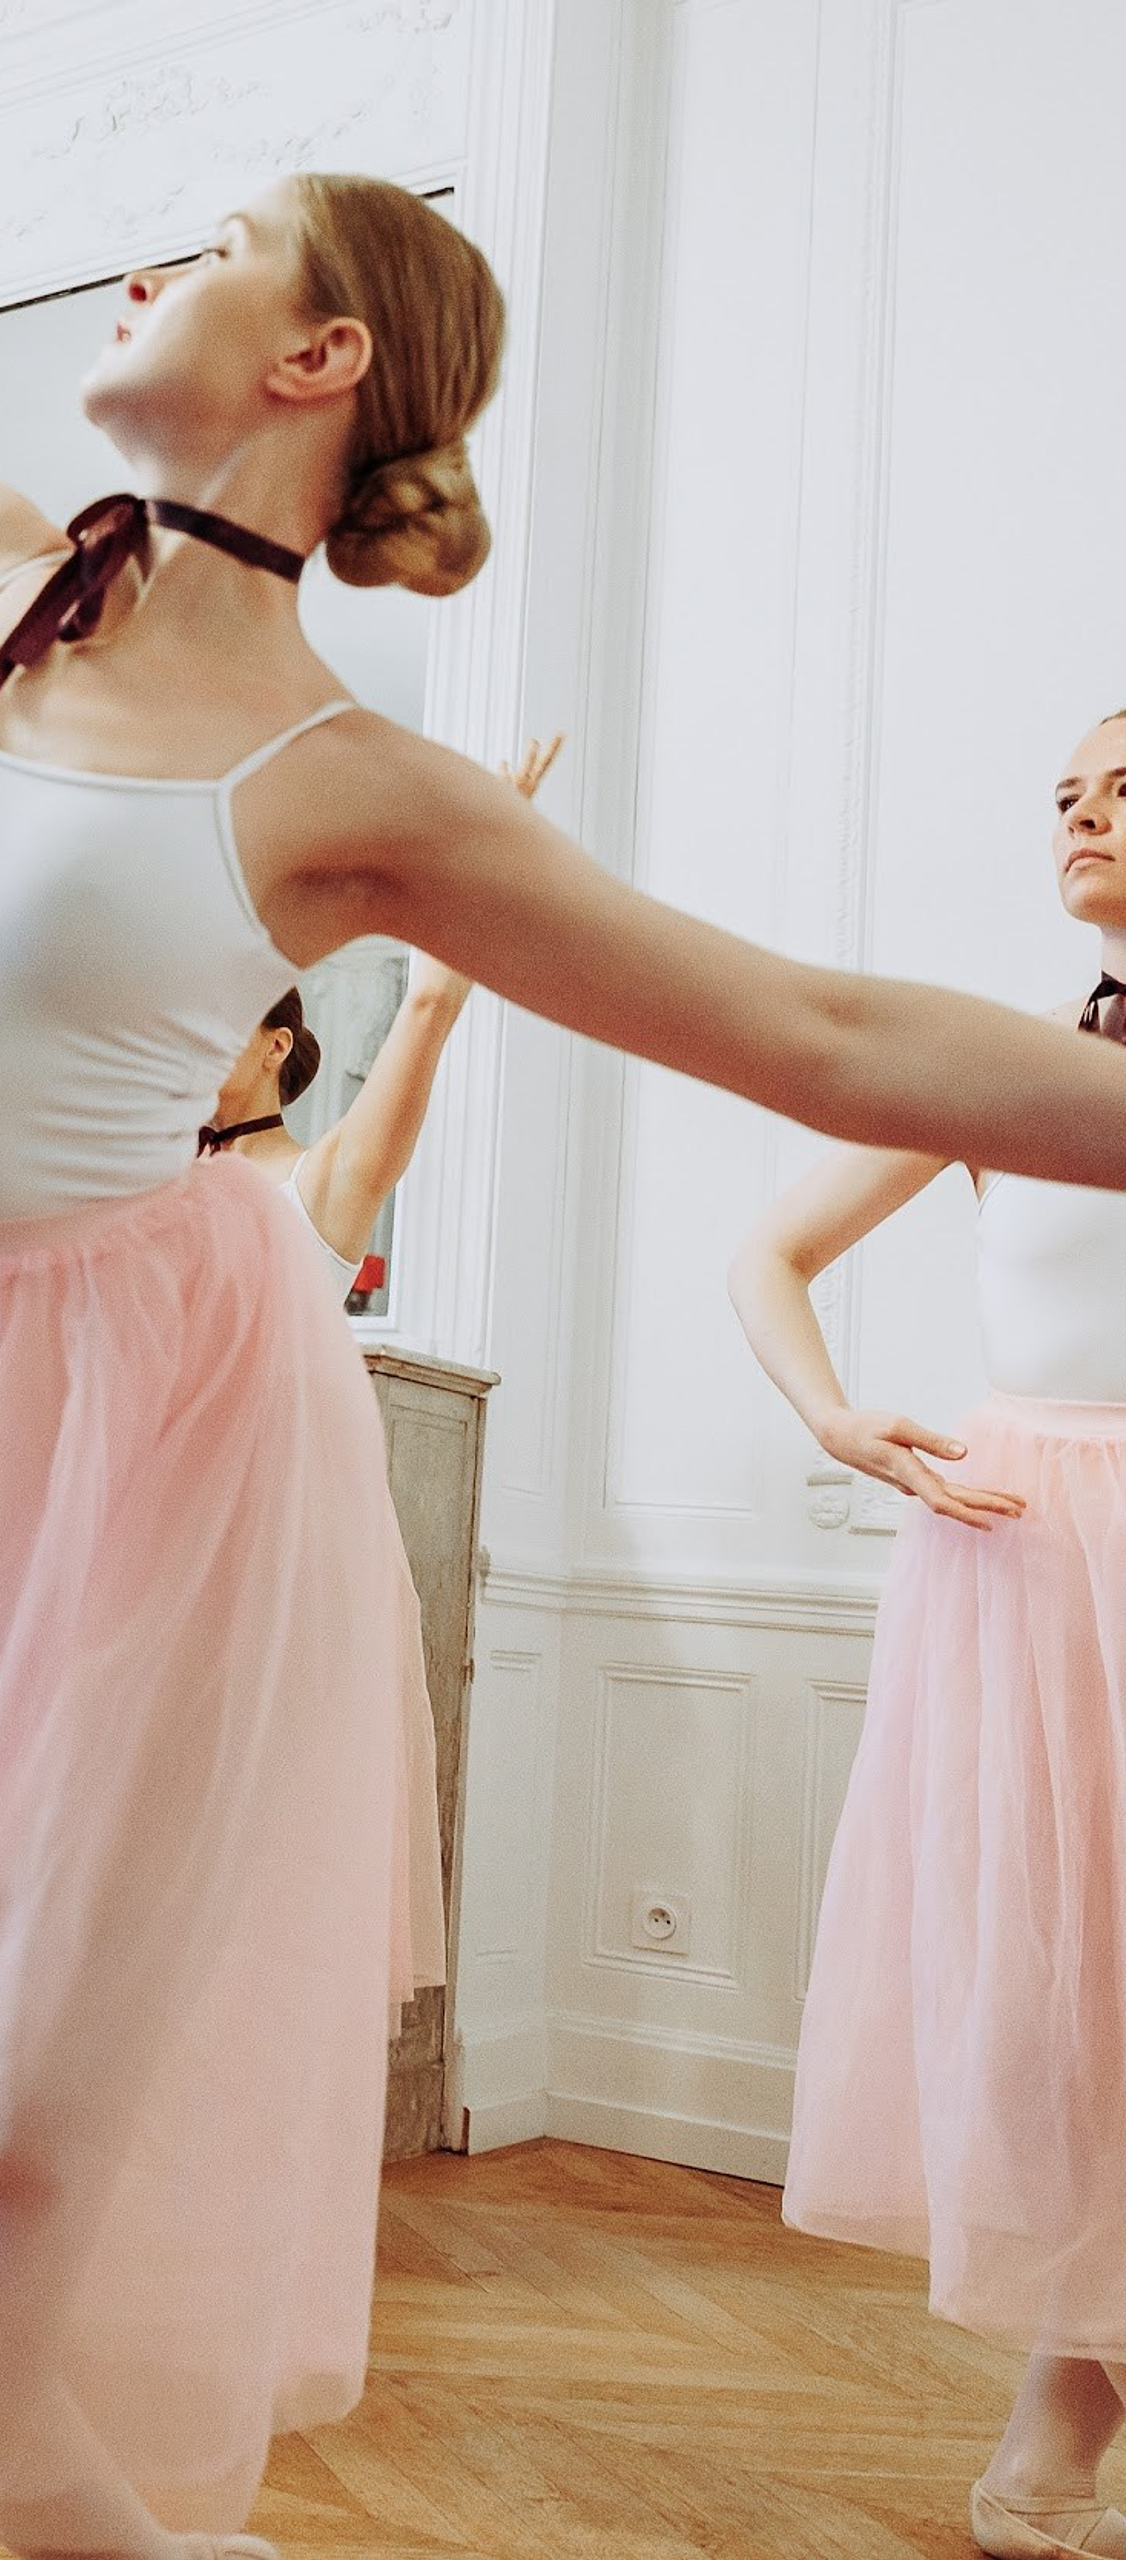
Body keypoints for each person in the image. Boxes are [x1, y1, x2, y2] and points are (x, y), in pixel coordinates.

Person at [0, 61, 1126, 2560]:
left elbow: (823, 1035)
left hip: (113, 1445)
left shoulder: (346, 777)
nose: (130, 266)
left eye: (194, 241)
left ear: (316, 359)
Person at [730, 707, 1126, 2560]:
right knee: (1055, 2011)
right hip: (1033, 1554)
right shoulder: (1005, 1061)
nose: (1084, 810)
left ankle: (1067, 2410)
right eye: (1067, 789)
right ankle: (1065, 2399)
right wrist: (835, 1416)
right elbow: (770, 1251)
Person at [201, 736, 561, 1291]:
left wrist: (485, 850)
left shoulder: (321, 1184)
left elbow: (428, 1007)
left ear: (275, 1046)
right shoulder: (151, 1181)